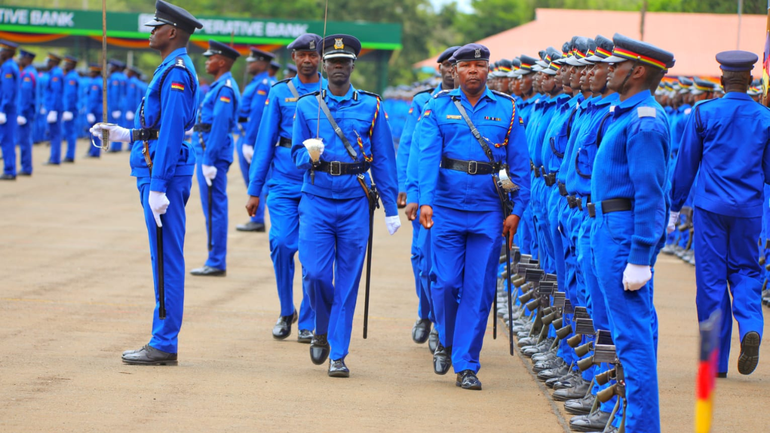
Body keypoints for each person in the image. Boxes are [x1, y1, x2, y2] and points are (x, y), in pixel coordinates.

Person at [90, 0, 202, 365]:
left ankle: (164, 342)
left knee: (166, 259)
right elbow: (156, 127)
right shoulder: (169, 68)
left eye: (156, 27)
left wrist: (157, 185)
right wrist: (123, 134)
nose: (151, 32)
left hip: (162, 174)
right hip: (156, 168)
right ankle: (163, 337)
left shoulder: (177, 72)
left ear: (172, 32)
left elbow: (170, 133)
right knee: (162, 255)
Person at [417, 43, 530, 390]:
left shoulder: (508, 109)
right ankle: (447, 340)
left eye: (479, 66)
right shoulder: (437, 107)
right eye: (465, 65)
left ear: (487, 70)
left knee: (478, 290)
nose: (472, 71)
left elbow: (521, 167)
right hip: (448, 210)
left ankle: (467, 364)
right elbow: (426, 157)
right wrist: (425, 200)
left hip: (488, 212)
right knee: (446, 282)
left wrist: (518, 212)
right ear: (455, 70)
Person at [292, 34, 400, 377]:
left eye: (345, 62)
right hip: (317, 199)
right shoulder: (307, 105)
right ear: (323, 66)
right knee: (315, 274)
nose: (338, 67)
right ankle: (320, 328)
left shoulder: (371, 105)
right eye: (333, 62)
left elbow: (383, 157)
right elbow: (294, 154)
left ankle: (337, 352)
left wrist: (392, 206)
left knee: (349, 279)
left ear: (353, 66)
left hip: (355, 200)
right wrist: (307, 155)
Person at [589, 33, 674, 433]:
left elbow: (651, 193)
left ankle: (640, 427)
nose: (608, 69)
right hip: (608, 227)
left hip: (624, 234)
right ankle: (629, 420)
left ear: (637, 71)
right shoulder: (624, 113)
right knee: (624, 332)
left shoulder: (646, 123)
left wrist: (641, 254)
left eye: (616, 64)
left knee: (633, 337)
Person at [669, 50, 770, 378]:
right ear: (751, 79)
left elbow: (686, 166)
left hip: (711, 209)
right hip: (749, 209)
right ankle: (751, 325)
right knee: (746, 271)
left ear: (722, 79)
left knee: (711, 282)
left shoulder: (703, 112)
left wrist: (673, 204)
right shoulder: (765, 118)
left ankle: (715, 361)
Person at [245, 33, 325, 341]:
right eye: (302, 55)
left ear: (320, 58)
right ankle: (285, 309)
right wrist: (254, 190)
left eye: (313, 55)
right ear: (293, 58)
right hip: (281, 181)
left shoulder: (329, 92)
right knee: (281, 244)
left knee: (311, 254)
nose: (307, 59)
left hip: (316, 183)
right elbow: (264, 142)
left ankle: (307, 318)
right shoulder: (280, 93)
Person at [401, 45, 459, 350]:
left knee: (448, 269)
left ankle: (441, 324)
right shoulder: (425, 101)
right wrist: (409, 191)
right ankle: (425, 312)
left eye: (457, 64)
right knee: (422, 260)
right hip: (426, 194)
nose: (453, 70)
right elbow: (411, 148)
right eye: (448, 65)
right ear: (441, 69)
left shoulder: (474, 105)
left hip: (457, 196)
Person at [189, 40, 242, 277]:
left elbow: (220, 126)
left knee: (214, 208)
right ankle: (214, 258)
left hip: (212, 155)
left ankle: (216, 260)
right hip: (207, 152)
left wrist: (209, 160)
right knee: (212, 207)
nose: (207, 62)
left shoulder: (225, 88)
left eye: (210, 58)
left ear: (221, 62)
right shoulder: (219, 85)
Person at [235, 47, 275, 233]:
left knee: (257, 180)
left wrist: (250, 142)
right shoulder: (256, 82)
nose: (249, 64)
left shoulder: (263, 84)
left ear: (262, 64)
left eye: (253, 61)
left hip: (251, 138)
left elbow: (257, 116)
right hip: (245, 135)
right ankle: (257, 217)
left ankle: (258, 218)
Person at [0, 40, 19, 180]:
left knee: (7, 140)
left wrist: (2, 109)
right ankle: (10, 169)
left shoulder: (8, 67)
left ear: (9, 52)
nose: (1, 53)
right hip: (9, 109)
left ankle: (9, 170)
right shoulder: (10, 65)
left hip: (7, 109)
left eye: (3, 50)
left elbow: (8, 90)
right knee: (8, 139)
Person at [16, 49, 36, 176]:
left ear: (28, 59)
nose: (20, 60)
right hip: (26, 111)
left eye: (22, 58)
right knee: (24, 140)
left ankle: (26, 167)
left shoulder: (28, 74)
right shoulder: (28, 72)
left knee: (24, 140)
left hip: (26, 112)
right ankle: (25, 166)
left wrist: (22, 113)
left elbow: (26, 95)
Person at [43, 53, 64, 165]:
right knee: (53, 134)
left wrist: (53, 110)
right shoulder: (54, 73)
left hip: (54, 108)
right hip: (52, 107)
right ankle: (54, 157)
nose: (47, 63)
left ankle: (55, 158)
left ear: (54, 62)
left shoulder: (56, 74)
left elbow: (56, 93)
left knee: (55, 134)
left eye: (49, 61)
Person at [107, 59, 128, 152]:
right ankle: (118, 146)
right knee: (120, 125)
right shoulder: (123, 76)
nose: (109, 68)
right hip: (122, 104)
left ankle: (115, 146)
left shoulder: (115, 77)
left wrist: (115, 107)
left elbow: (115, 93)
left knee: (114, 125)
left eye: (111, 66)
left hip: (115, 105)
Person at [61, 56, 80, 163]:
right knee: (69, 132)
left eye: (67, 64)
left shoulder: (71, 77)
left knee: (70, 133)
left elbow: (70, 95)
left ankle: (70, 155)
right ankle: (69, 154)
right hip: (70, 109)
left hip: (70, 109)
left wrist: (68, 109)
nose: (65, 66)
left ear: (72, 65)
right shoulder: (70, 76)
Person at [85, 64, 104, 158]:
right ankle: (94, 151)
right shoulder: (98, 81)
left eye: (91, 71)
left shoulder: (95, 83)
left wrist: (90, 111)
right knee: (97, 131)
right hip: (98, 109)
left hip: (95, 110)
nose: (90, 73)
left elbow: (93, 98)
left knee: (94, 132)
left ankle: (94, 152)